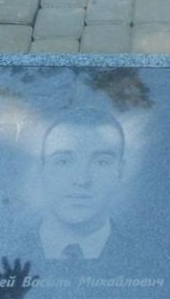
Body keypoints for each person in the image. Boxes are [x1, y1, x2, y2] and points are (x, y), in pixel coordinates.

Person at [37, 107, 127, 261]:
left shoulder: (156, 259)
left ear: (120, 172)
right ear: (42, 169)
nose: (82, 180)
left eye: (101, 162)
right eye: (63, 161)